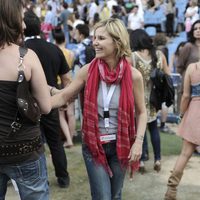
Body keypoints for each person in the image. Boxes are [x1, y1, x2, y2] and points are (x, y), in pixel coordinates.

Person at [51, 18, 147, 200]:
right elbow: (64, 96)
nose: (95, 42)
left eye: (101, 38)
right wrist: (42, 104)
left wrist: (139, 142)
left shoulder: (133, 76)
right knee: (103, 197)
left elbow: (142, 112)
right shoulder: (87, 71)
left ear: (117, 41)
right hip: (93, 145)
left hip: (122, 144)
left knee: (115, 195)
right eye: (95, 37)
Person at [0, 0, 51, 199]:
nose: (23, 25)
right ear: (9, 21)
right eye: (20, 19)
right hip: (25, 151)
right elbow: (46, 106)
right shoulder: (27, 57)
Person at [24, 10, 71, 188]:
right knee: (55, 142)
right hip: (50, 103)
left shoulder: (21, 50)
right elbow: (67, 79)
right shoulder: (53, 48)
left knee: (30, 144)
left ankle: (36, 179)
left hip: (27, 106)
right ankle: (63, 177)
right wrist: (64, 98)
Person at [129, 29, 170, 173]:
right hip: (154, 98)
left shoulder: (133, 56)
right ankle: (158, 159)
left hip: (137, 98)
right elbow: (168, 75)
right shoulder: (159, 54)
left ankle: (140, 161)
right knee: (153, 128)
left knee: (140, 128)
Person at [164, 61, 200, 200]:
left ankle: (171, 191)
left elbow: (186, 96)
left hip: (194, 112)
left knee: (185, 154)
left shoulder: (192, 67)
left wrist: (182, 114)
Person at [52, 26, 76, 148]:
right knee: (71, 113)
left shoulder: (54, 51)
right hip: (70, 83)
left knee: (61, 115)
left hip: (59, 84)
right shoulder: (70, 53)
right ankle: (71, 137)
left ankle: (68, 139)